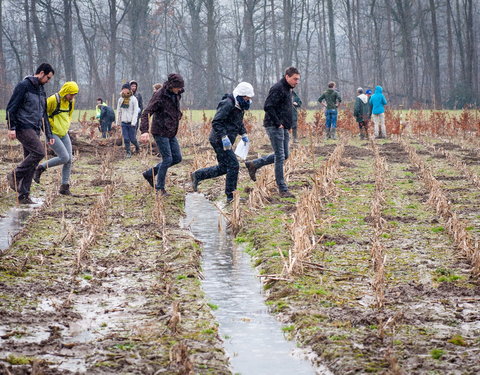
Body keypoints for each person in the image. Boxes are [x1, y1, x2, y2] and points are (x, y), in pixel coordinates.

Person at [191, 82, 254, 203]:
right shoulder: (228, 103)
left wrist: (244, 133)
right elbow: (216, 122)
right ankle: (231, 196)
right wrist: (224, 137)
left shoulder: (239, 105)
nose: (249, 100)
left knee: (224, 167)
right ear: (241, 95)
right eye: (247, 98)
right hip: (218, 140)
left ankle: (198, 175)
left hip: (227, 140)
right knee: (233, 165)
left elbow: (238, 122)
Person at [244, 67, 300, 198]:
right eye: (295, 79)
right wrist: (278, 123)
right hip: (274, 126)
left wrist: (287, 124)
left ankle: (254, 164)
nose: (297, 82)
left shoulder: (288, 89)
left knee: (285, 155)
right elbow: (268, 106)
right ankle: (283, 189)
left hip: (283, 127)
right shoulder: (278, 88)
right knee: (280, 156)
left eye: (298, 79)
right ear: (287, 76)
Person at [5, 63, 55, 204]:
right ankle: (14, 175)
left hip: (35, 128)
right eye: (48, 78)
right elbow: (11, 107)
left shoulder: (41, 90)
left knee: (31, 160)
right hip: (22, 126)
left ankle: (24, 196)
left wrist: (49, 134)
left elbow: (43, 114)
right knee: (39, 152)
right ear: (41, 73)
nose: (48, 81)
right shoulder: (24, 86)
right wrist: (11, 127)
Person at [139, 74, 185, 196]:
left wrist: (177, 115)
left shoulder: (176, 93)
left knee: (177, 158)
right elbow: (146, 113)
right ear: (171, 86)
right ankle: (160, 188)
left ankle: (150, 173)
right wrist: (144, 131)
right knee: (167, 159)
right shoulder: (159, 95)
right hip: (160, 131)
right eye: (178, 87)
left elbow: (171, 108)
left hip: (171, 131)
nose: (180, 90)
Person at [32, 81, 79, 195]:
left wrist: (66, 127)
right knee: (64, 157)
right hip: (52, 134)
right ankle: (40, 168)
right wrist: (48, 131)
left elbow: (68, 116)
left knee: (69, 160)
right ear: (66, 92)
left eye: (74, 95)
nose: (72, 97)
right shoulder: (53, 100)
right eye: (71, 94)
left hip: (64, 133)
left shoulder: (71, 102)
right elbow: (43, 116)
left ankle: (64, 187)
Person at [116, 83, 140, 157]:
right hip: (124, 122)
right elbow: (119, 111)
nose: (124, 91)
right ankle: (128, 152)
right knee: (126, 138)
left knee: (132, 139)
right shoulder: (120, 99)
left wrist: (133, 122)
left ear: (129, 90)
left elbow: (136, 111)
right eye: (123, 89)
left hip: (131, 123)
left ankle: (137, 147)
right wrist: (118, 122)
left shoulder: (133, 99)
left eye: (126, 89)